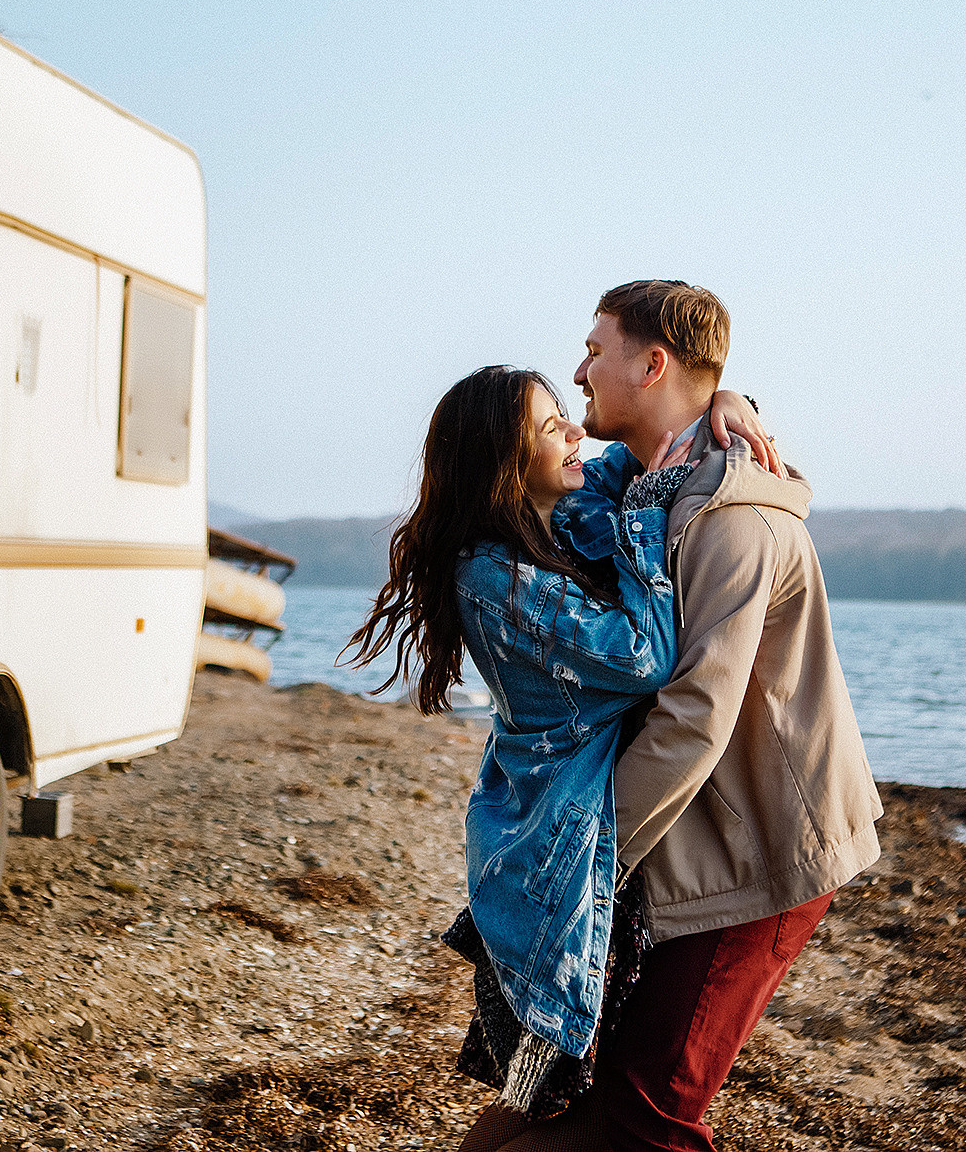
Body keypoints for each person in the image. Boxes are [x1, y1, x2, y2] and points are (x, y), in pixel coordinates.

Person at [344, 366, 772, 1152]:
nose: (576, 431)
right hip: (553, 858)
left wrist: (723, 401)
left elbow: (638, 453)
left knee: (553, 1095)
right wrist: (645, 521)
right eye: (551, 428)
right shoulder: (492, 575)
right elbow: (642, 655)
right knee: (532, 1097)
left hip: (572, 836)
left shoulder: (558, 518)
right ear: (505, 462)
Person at [501, 280, 883, 1152]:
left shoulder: (730, 520)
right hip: (683, 836)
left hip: (764, 848)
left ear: (653, 363)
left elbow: (693, 721)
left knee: (645, 1121)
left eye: (595, 349)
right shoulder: (635, 485)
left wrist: (584, 867)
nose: (579, 368)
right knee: (559, 1092)